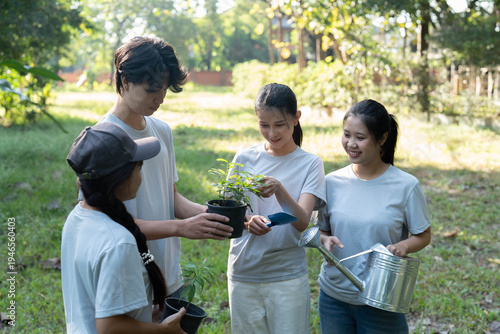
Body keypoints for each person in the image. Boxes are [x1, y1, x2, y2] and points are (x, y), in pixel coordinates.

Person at [98, 36, 233, 307]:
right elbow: (110, 225)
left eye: (164, 89)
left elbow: (170, 198)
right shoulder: (102, 140)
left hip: (169, 275)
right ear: (125, 81)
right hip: (128, 282)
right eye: (152, 89)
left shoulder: (161, 131)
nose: (160, 97)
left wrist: (217, 218)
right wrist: (181, 228)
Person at [317, 99, 432, 333]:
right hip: (334, 298)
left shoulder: (406, 186)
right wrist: (324, 240)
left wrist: (403, 246)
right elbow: (323, 229)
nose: (351, 144)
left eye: (360, 137)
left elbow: (423, 235)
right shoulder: (331, 182)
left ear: (382, 139)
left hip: (382, 299)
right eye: (347, 135)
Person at [62, 122, 186, 333]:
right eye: (139, 168)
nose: (141, 176)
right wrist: (163, 329)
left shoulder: (76, 219)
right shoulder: (119, 243)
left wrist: (142, 313)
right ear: (120, 180)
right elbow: (110, 327)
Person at [227, 83, 326, 334]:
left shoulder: (311, 164)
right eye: (264, 125)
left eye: (279, 124)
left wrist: (280, 190)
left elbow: (303, 222)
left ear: (296, 118)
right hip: (244, 271)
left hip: (287, 276)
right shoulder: (244, 158)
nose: (271, 133)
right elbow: (229, 212)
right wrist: (248, 221)